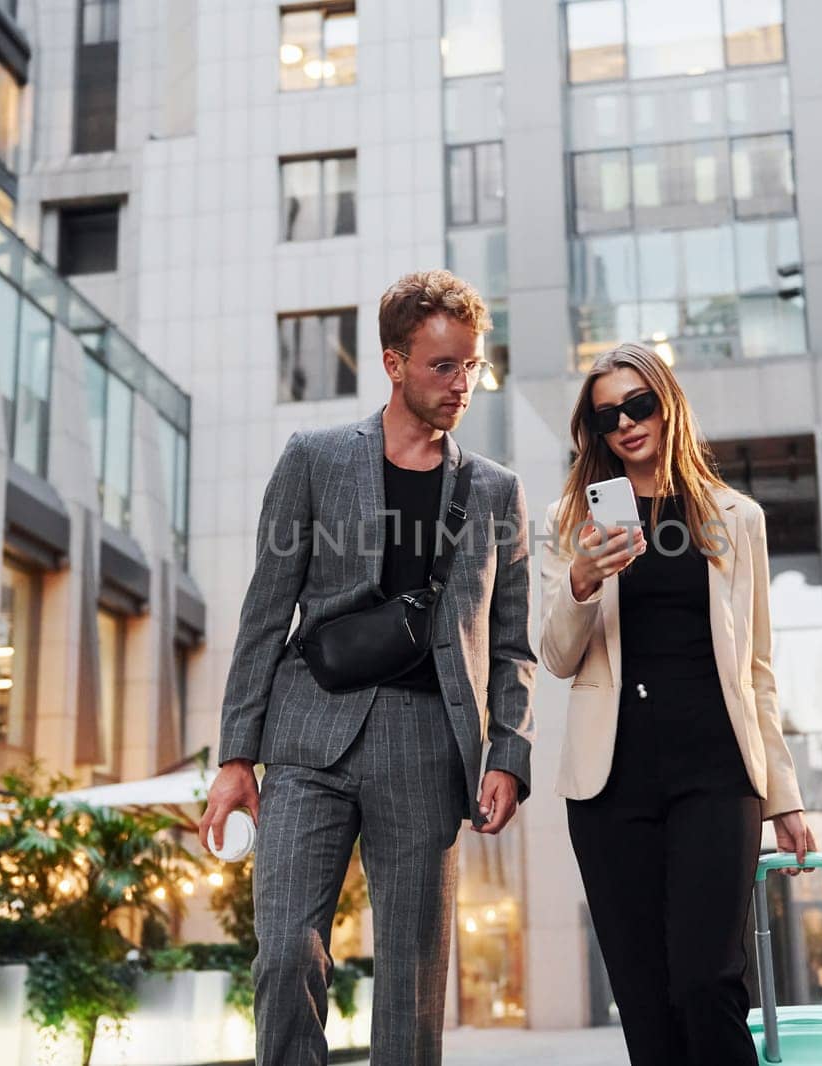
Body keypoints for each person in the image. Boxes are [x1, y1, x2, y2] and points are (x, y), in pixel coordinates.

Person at [200, 271, 537, 1066]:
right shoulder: (313, 459)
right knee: (285, 954)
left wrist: (510, 755)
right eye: (442, 366)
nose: (462, 385)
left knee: (413, 990)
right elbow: (263, 612)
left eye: (472, 366)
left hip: (428, 744)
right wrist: (234, 756)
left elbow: (514, 643)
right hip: (310, 731)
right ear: (393, 363)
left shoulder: (496, 491)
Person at [539, 342, 815, 1066]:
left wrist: (785, 796)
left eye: (639, 405)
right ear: (593, 432)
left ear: (668, 406)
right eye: (607, 416)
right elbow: (558, 657)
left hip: (717, 773)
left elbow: (757, 668)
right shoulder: (571, 523)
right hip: (611, 783)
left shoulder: (736, 517)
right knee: (647, 1002)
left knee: (707, 980)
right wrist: (581, 581)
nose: (626, 424)